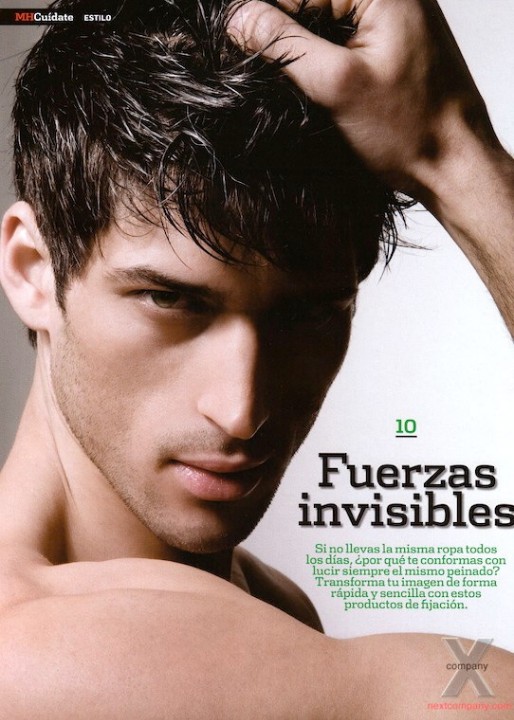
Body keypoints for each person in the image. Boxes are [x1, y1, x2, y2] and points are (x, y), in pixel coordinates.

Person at [0, 0, 512, 716]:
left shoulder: (272, 606)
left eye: (307, 315)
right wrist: (451, 149)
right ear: (32, 271)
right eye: (171, 301)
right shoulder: (29, 655)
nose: (242, 412)